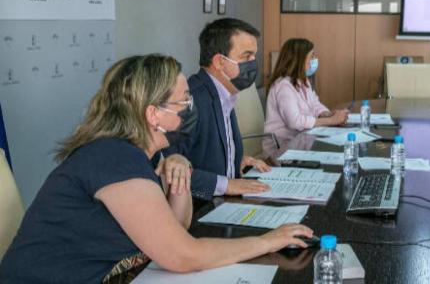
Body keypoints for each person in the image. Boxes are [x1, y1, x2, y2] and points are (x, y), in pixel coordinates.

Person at [0, 54, 313, 283]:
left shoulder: (142, 153)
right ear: (153, 114)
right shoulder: (113, 157)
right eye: (183, 103)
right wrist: (269, 241)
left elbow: (178, 226)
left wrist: (180, 170)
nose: (191, 110)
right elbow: (182, 255)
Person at [165, 18, 271, 201]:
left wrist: (235, 159)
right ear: (220, 62)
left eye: (254, 56)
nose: (253, 63)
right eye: (246, 57)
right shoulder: (189, 101)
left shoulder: (225, 93)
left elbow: (204, 150)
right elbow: (169, 169)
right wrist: (226, 185)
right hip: (199, 211)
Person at [264, 38, 348, 143]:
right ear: (299, 60)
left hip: (301, 140)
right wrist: (331, 121)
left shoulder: (303, 81)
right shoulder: (283, 87)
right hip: (282, 145)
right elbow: (295, 122)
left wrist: (328, 114)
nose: (315, 59)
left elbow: (315, 104)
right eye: (312, 56)